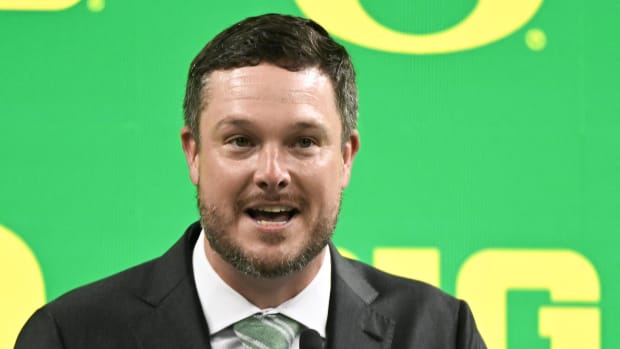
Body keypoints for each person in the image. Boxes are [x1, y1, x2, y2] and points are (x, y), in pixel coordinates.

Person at [15, 13, 486, 349]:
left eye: (303, 142)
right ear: (194, 153)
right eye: (241, 141)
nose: (272, 174)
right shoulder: (68, 336)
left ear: (345, 158)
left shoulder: (442, 334)